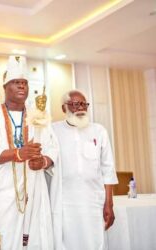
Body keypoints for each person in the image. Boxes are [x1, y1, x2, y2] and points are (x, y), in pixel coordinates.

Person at [0, 56, 58, 250]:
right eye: (16, 82)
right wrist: (18, 154)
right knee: (5, 238)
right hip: (3, 190)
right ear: (5, 87)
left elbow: (53, 146)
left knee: (36, 237)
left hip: (35, 188)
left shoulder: (39, 115)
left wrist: (44, 161)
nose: (22, 86)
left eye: (24, 83)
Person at [49, 90, 118, 250]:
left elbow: (108, 168)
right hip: (64, 201)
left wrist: (109, 203)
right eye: (75, 104)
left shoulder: (99, 131)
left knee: (94, 242)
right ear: (63, 107)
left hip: (93, 200)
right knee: (66, 242)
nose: (80, 108)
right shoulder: (53, 130)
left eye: (84, 104)